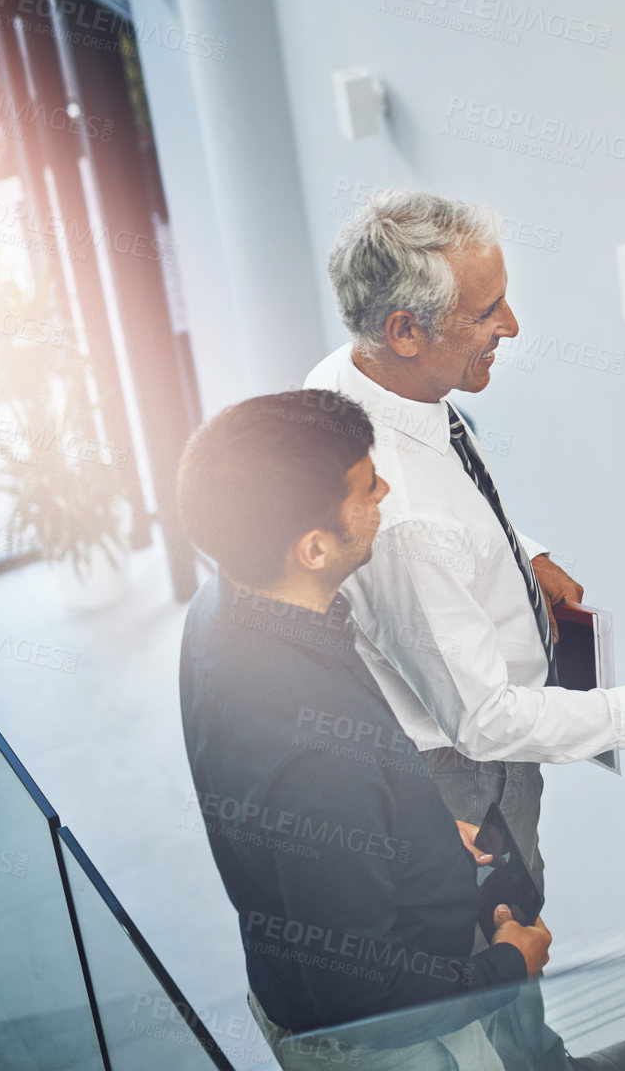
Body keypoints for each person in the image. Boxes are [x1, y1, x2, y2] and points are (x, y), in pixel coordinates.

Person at [308, 189, 625, 1071]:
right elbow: (488, 721)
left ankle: (540, 1061)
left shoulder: (360, 379)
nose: (510, 324)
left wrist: (525, 552)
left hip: (464, 739)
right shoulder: (404, 523)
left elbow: (454, 495)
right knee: (499, 937)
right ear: (404, 329)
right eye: (485, 312)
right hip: (463, 776)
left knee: (511, 943)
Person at [176, 390, 551, 1070]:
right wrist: (506, 967)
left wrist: (425, 838)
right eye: (367, 485)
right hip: (396, 1044)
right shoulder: (318, 761)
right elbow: (367, 1000)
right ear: (313, 546)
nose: (384, 490)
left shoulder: (223, 605)